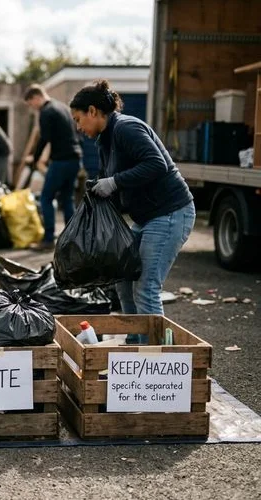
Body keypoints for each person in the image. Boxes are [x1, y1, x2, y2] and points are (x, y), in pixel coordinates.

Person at [70, 80, 195, 344]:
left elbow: (156, 164)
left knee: (146, 286)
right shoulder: (104, 140)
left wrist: (114, 182)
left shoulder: (127, 128)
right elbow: (111, 184)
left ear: (93, 111)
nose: (78, 127)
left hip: (170, 212)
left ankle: (155, 358)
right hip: (147, 217)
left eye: (79, 119)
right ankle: (136, 344)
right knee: (123, 279)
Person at [23, 84, 83, 251]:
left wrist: (35, 158)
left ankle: (49, 239)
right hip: (74, 159)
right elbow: (77, 133)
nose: (32, 107)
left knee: (46, 198)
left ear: (36, 97)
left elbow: (44, 138)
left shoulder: (46, 112)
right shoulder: (62, 107)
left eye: (30, 103)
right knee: (67, 198)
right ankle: (73, 239)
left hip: (61, 161)